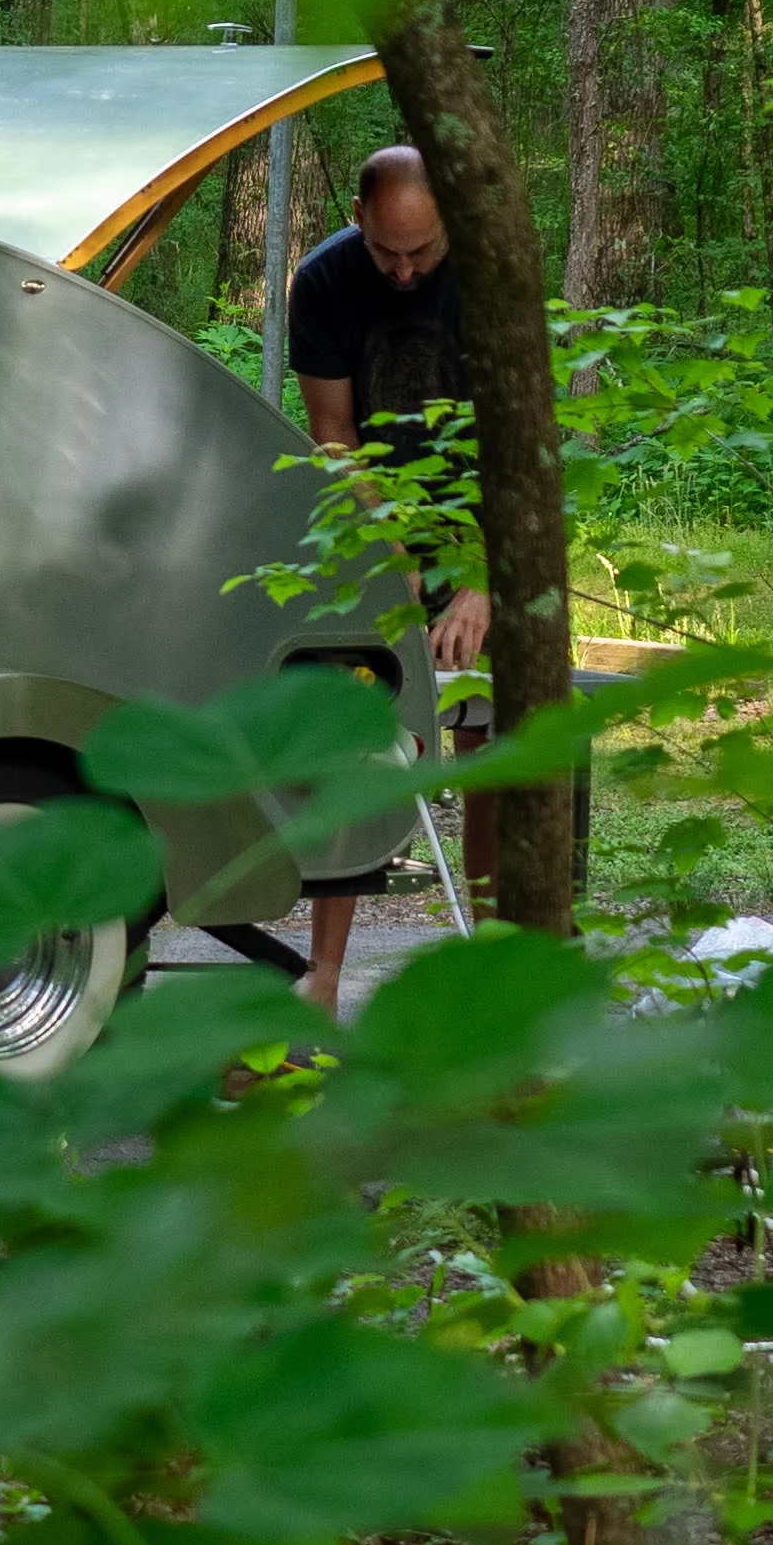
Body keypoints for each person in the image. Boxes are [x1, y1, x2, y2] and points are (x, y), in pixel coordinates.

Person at [283, 142, 484, 1015]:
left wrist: (479, 581)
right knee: (353, 745)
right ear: (358, 217)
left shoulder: (489, 280)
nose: (404, 272)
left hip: (484, 520)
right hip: (373, 522)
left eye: (422, 253)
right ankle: (323, 981)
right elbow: (333, 433)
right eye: (386, 252)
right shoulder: (325, 282)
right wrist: (385, 552)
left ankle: (496, 976)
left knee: (491, 747)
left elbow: (520, 442)